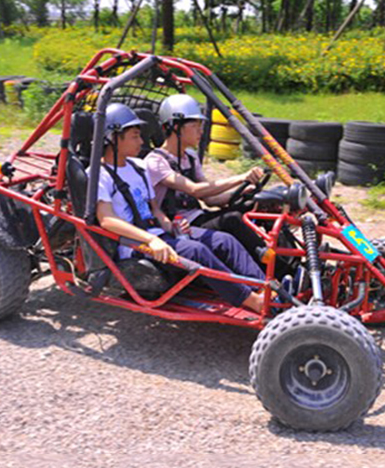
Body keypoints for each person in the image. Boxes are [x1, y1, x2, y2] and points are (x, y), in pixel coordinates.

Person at [95, 102, 266, 313]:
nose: (141, 141)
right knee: (197, 251)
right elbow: (106, 220)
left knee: (225, 240)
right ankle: (252, 301)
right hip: (133, 244)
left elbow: (154, 208)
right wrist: (151, 240)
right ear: (112, 138)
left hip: (158, 234)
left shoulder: (138, 167)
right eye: (134, 136)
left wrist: (170, 226)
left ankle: (266, 289)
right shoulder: (98, 175)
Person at [145, 93, 269, 267]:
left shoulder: (190, 156)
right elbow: (195, 190)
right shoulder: (155, 161)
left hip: (199, 217)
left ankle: (290, 262)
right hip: (179, 225)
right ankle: (277, 273)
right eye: (195, 126)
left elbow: (210, 200)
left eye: (201, 126)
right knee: (231, 220)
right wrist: (241, 177)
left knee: (257, 206)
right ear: (175, 127)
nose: (201, 132)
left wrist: (242, 192)